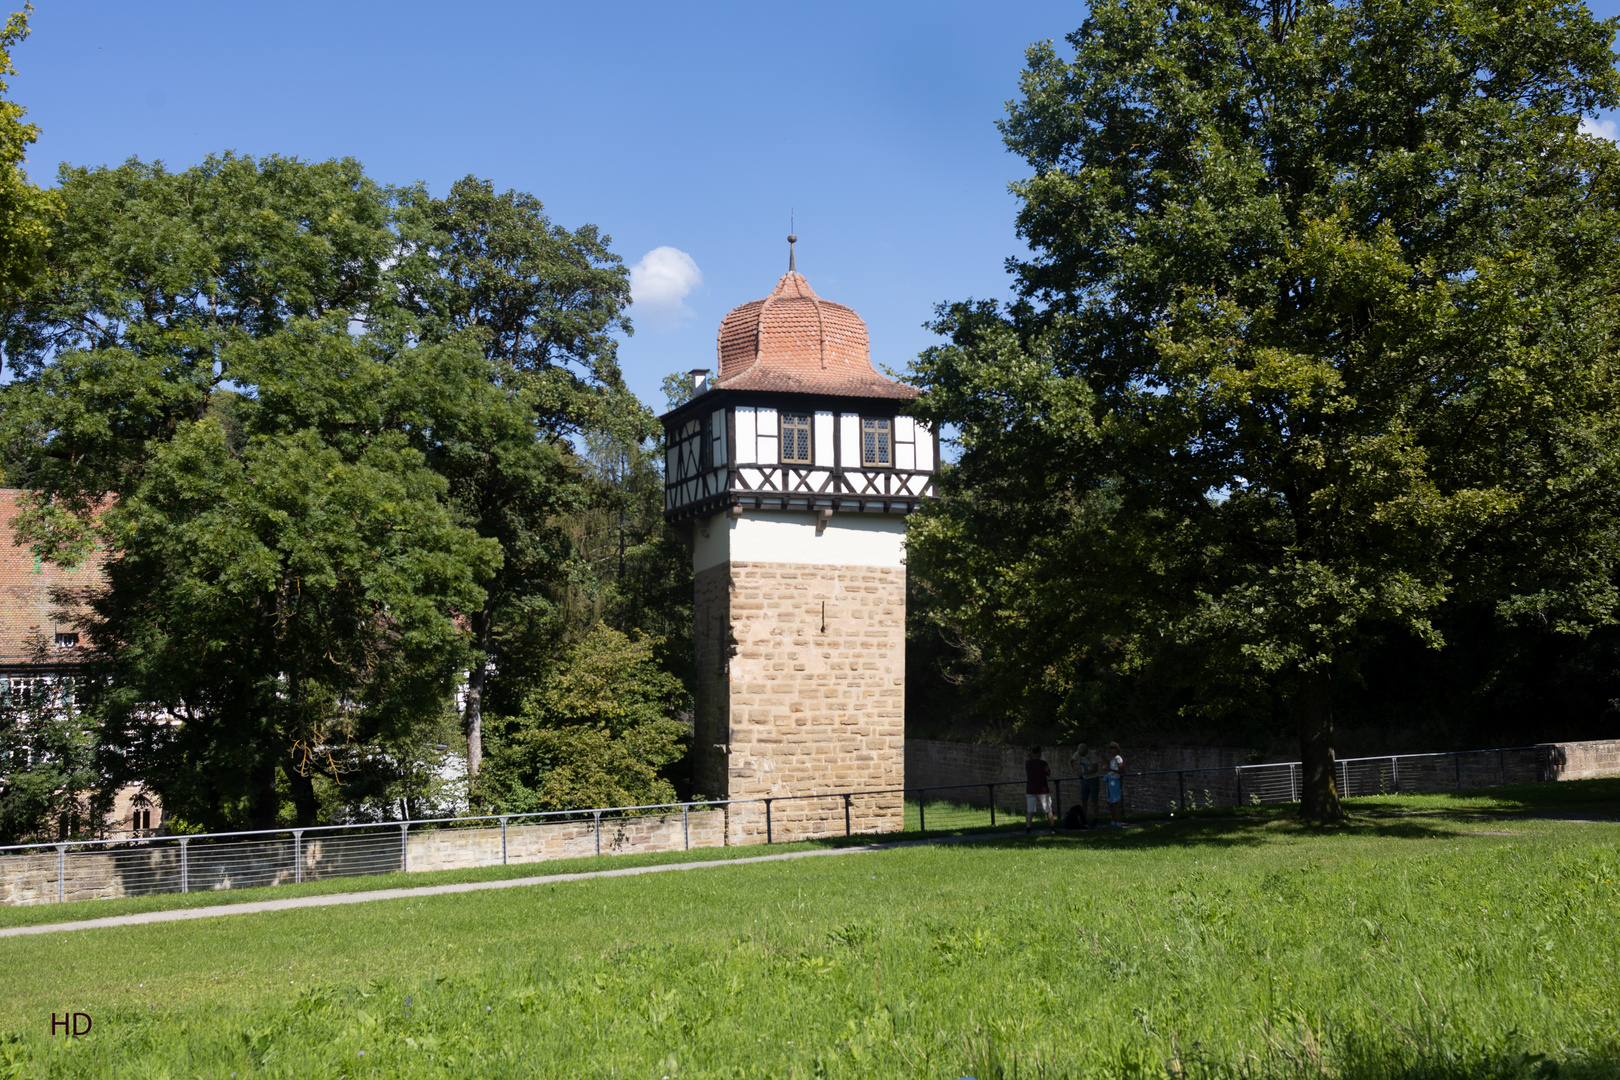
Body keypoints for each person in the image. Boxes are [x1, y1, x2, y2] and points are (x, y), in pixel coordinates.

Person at [1069, 742, 1102, 828]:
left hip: (1093, 779)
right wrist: (1074, 770)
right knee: (1084, 800)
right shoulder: (1078, 753)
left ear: (1086, 751)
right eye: (1079, 753)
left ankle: (1096, 819)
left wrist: (1083, 773)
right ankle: (1084, 819)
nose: (1080, 755)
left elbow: (1095, 768)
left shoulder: (1092, 754)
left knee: (1094, 800)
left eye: (1082, 754)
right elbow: (1070, 761)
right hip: (1084, 779)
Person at [1024, 745, 1055, 834]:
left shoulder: (1028, 763)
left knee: (1030, 811)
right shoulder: (1043, 763)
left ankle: (1028, 829)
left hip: (1031, 789)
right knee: (1048, 810)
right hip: (1042, 789)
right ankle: (1052, 828)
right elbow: (1048, 773)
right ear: (1039, 753)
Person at [1105, 741, 1126, 828]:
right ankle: (1113, 821)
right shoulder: (1113, 759)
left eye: (1112, 748)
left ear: (1116, 749)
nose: (1110, 750)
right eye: (1109, 748)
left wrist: (1110, 769)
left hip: (1115, 782)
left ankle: (1118, 822)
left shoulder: (1118, 758)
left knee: (1116, 802)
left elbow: (1123, 771)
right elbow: (1109, 765)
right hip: (1110, 781)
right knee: (1110, 802)